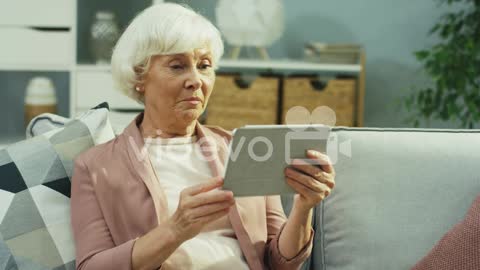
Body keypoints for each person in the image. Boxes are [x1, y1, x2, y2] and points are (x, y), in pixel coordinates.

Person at [70, 3, 336, 270]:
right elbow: (92, 265)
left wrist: (304, 207)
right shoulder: (95, 166)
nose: (196, 80)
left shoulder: (245, 149)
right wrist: (176, 228)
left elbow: (278, 263)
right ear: (139, 75)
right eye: (177, 66)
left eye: (205, 65)